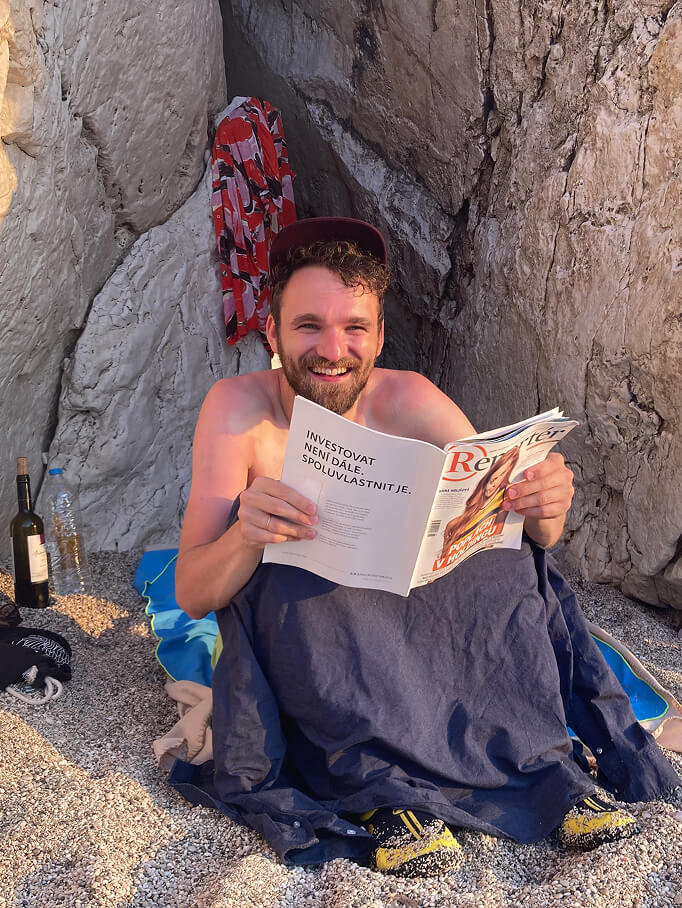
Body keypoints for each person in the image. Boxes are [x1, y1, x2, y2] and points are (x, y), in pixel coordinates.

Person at [174, 217, 679, 877]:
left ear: (380, 336)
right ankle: (381, 788)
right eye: (308, 326)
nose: (332, 349)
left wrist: (544, 508)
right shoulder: (238, 413)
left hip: (404, 623)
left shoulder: (411, 397)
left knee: (509, 555)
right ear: (273, 333)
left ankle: (543, 769)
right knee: (278, 565)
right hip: (317, 638)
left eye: (354, 328)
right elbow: (193, 593)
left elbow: (514, 546)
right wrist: (247, 532)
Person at [440, 445, 520, 558]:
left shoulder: (503, 495)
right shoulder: (459, 520)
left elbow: (497, 529)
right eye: (491, 481)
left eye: (497, 479)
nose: (492, 486)